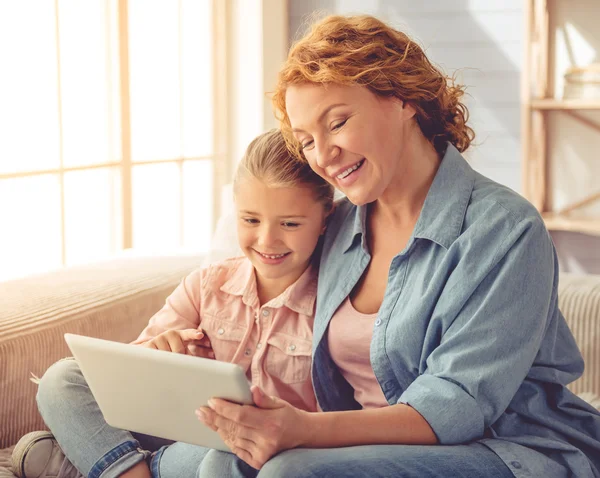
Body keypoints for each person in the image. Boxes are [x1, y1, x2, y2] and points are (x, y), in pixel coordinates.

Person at [193, 14, 600, 478]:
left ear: (403, 98)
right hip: (364, 445)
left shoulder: (505, 229)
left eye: (338, 122)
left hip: (508, 449)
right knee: (221, 460)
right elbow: (268, 295)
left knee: (294, 472)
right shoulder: (340, 225)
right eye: (307, 141)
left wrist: (304, 430)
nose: (323, 156)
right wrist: (202, 347)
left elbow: (457, 404)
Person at [11, 129, 334, 478]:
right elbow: (124, 374)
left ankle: (102, 466)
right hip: (170, 423)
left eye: (289, 223)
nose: (266, 239)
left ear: (324, 220)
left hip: (234, 449)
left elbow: (330, 416)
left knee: (228, 460)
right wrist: (156, 351)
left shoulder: (332, 306)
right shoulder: (207, 284)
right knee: (61, 379)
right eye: (250, 220)